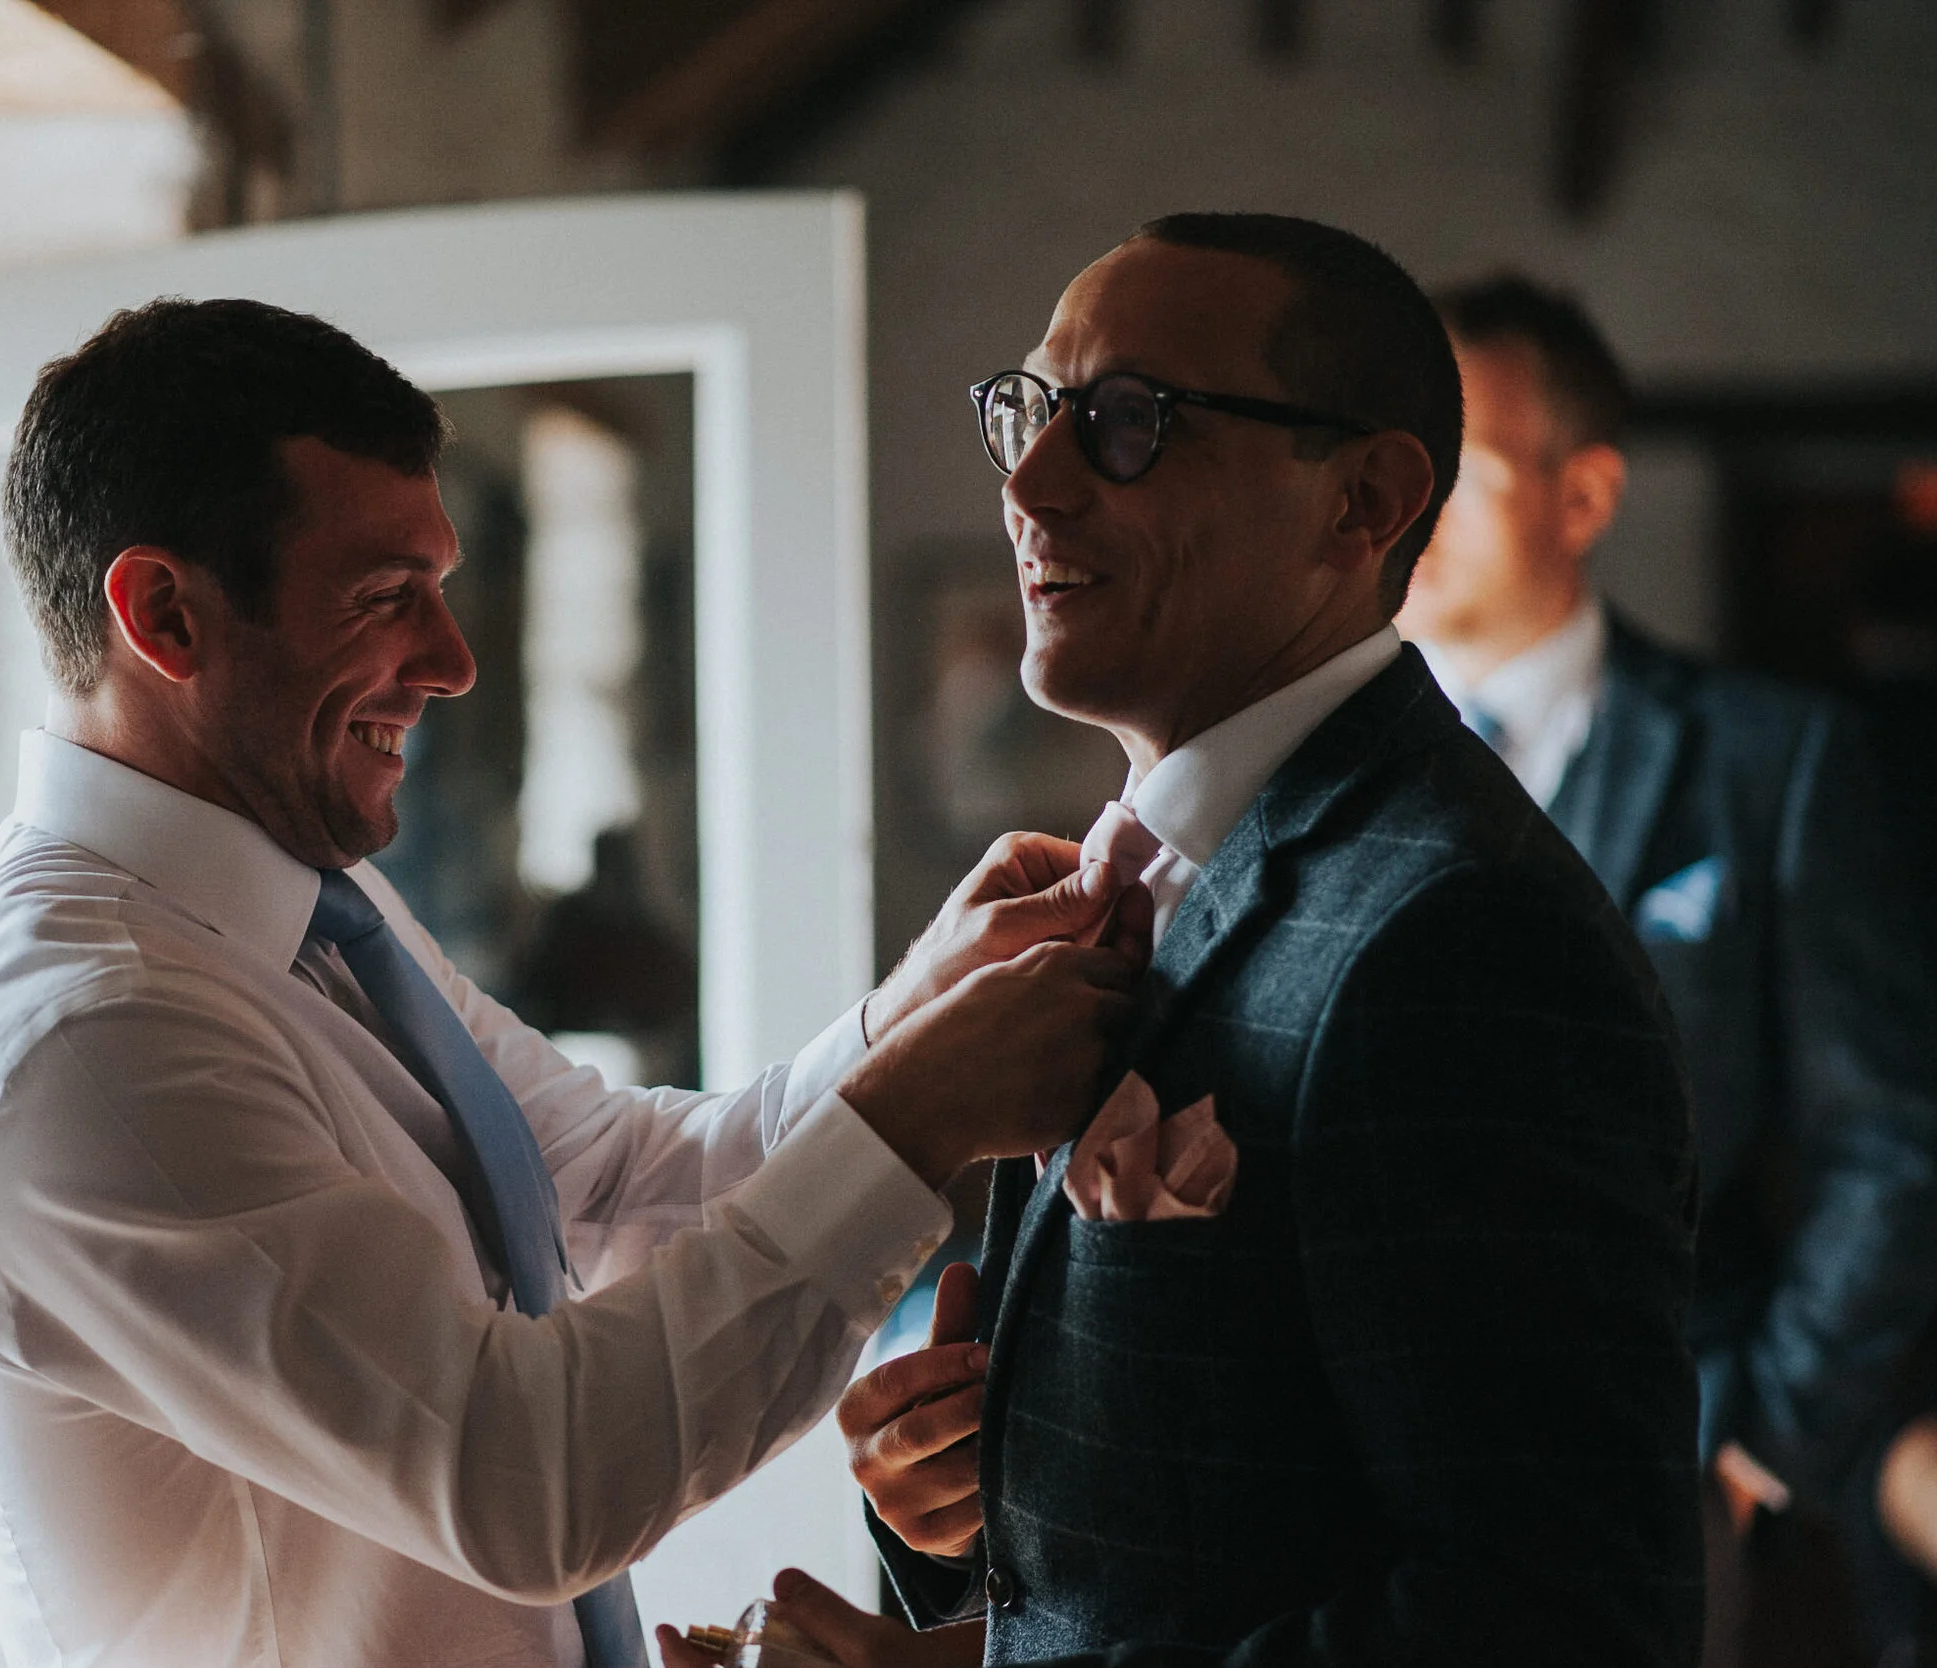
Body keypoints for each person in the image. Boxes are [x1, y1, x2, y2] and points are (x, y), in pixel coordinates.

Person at [0, 299, 1156, 1668]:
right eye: (384, 599)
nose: (451, 661)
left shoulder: (312, 909)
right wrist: (915, 1119)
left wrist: (916, 1009)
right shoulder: (87, 1041)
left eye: (442, 586)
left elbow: (618, 1183)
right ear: (166, 614)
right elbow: (526, 1484)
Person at [808, 215, 1704, 1667]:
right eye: (1029, 411)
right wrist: (987, 1499)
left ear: (1363, 502)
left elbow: (1558, 1623)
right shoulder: (1148, 876)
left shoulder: (1457, 936)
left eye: (1124, 423)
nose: (1030, 484)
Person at [1402, 275, 1937, 1665]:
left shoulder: (1772, 760)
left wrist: (1766, 1440)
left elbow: (1887, 1134)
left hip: (1664, 1464)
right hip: (1350, 1472)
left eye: (1457, 469)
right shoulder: (1287, 769)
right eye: (1382, 458)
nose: (1407, 506)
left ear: (1582, 498)